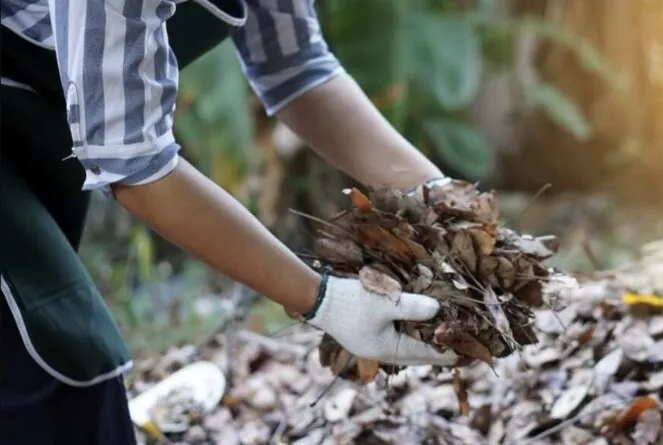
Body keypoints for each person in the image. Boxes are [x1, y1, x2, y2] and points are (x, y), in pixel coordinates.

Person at [0, 0, 460, 443]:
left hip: (42, 120)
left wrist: (445, 203)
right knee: (59, 371)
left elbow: (295, 65)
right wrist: (324, 301)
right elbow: (134, 167)